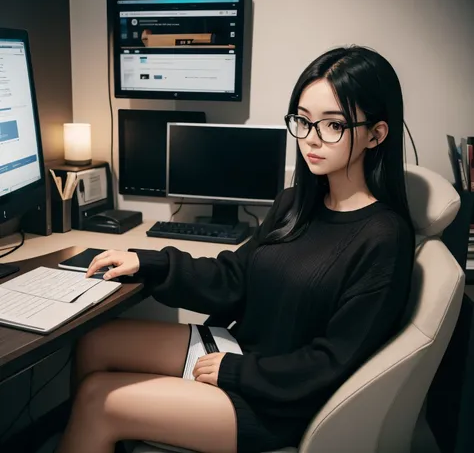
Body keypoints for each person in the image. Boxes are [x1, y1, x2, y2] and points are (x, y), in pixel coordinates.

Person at [56, 46, 415, 453]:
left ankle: (100, 429)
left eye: (332, 125)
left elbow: (334, 360)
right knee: (95, 343)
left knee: (98, 398)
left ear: (376, 134)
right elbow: (234, 277)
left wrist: (238, 371)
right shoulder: (294, 203)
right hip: (241, 351)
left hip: (282, 401)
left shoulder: (385, 237)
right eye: (303, 120)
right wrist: (148, 262)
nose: (310, 139)